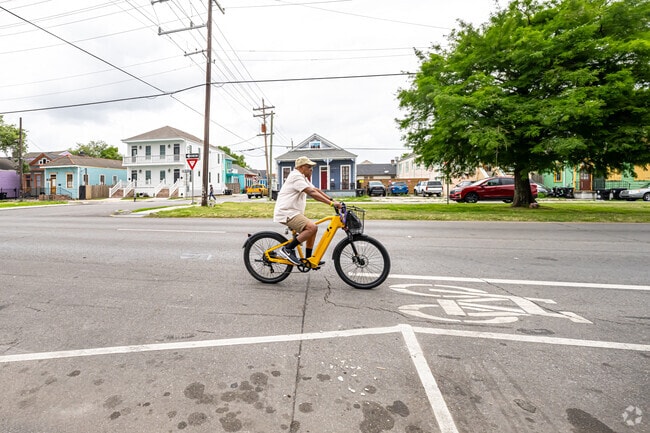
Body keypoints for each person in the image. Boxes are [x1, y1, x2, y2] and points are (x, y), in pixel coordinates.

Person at [273, 156, 342, 265]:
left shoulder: (303, 177)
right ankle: (287, 249)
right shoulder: (296, 177)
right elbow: (311, 193)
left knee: (313, 229)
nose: (311, 169)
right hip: (287, 212)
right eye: (309, 166)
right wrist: (331, 204)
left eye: (312, 167)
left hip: (293, 212)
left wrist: (332, 200)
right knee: (312, 227)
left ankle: (309, 259)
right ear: (301, 167)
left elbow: (316, 190)